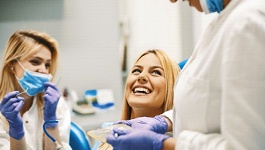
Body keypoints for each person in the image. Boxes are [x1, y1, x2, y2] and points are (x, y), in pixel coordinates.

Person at [106, 0, 265, 150]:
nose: (173, 1)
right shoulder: (224, 21)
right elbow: (204, 105)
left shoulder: (249, 22)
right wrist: (164, 120)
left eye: (156, 72)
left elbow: (248, 145)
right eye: (136, 70)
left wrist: (161, 144)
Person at [92, 49, 180, 150]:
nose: (141, 76)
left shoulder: (177, 144)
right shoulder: (107, 134)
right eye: (136, 71)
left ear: (173, 88)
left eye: (156, 72)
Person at [0, 30, 71, 149]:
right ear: (11, 65)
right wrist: (15, 131)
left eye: (47, 65)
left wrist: (51, 122)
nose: (43, 70)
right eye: (35, 62)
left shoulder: (56, 104)